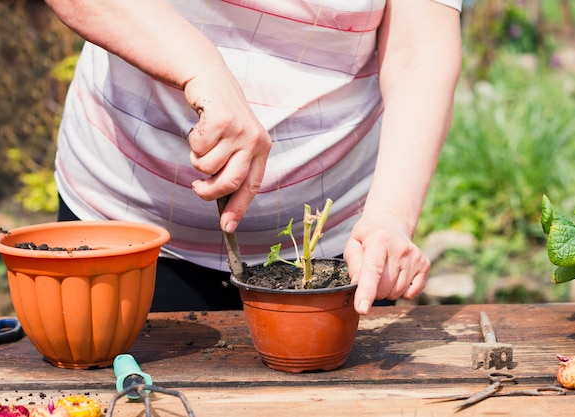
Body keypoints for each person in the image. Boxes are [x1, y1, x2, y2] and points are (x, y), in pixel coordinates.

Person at [45, 0, 463, 314]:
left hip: (337, 253)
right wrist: (200, 67)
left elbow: (419, 53)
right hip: (123, 224)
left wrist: (390, 216)